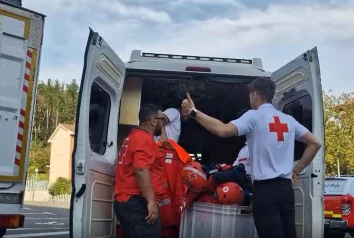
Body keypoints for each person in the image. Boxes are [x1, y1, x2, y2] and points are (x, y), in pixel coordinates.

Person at [181, 77, 321, 238]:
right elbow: (315, 143)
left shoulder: (254, 116)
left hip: (265, 190)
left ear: (254, 94)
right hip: (285, 190)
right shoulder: (288, 120)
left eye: (249, 96)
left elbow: (223, 130)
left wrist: (193, 112)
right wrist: (296, 171)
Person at [113, 103, 168, 238]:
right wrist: (151, 201)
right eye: (162, 120)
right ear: (153, 121)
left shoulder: (133, 136)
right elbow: (141, 169)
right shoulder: (143, 139)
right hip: (136, 203)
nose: (163, 124)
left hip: (129, 202)